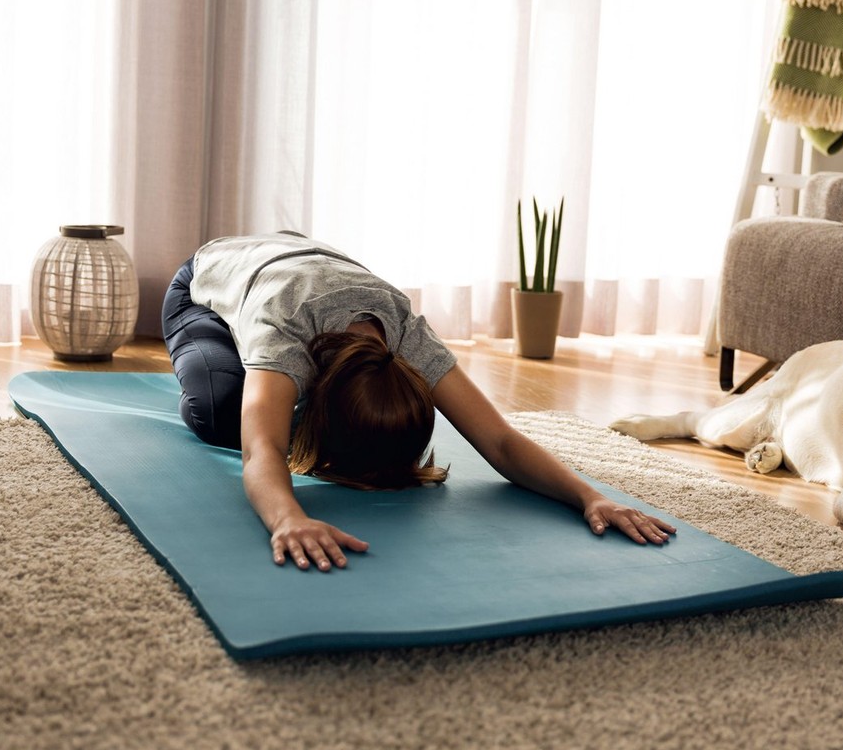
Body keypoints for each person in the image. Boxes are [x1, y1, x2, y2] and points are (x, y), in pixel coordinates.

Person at [162, 231, 675, 572]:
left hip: (300, 258)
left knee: (269, 402)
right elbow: (263, 452)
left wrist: (591, 498)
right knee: (221, 414)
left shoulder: (407, 335)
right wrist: (288, 518)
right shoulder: (282, 333)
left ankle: (282, 396)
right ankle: (243, 369)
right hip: (208, 281)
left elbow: (499, 439)